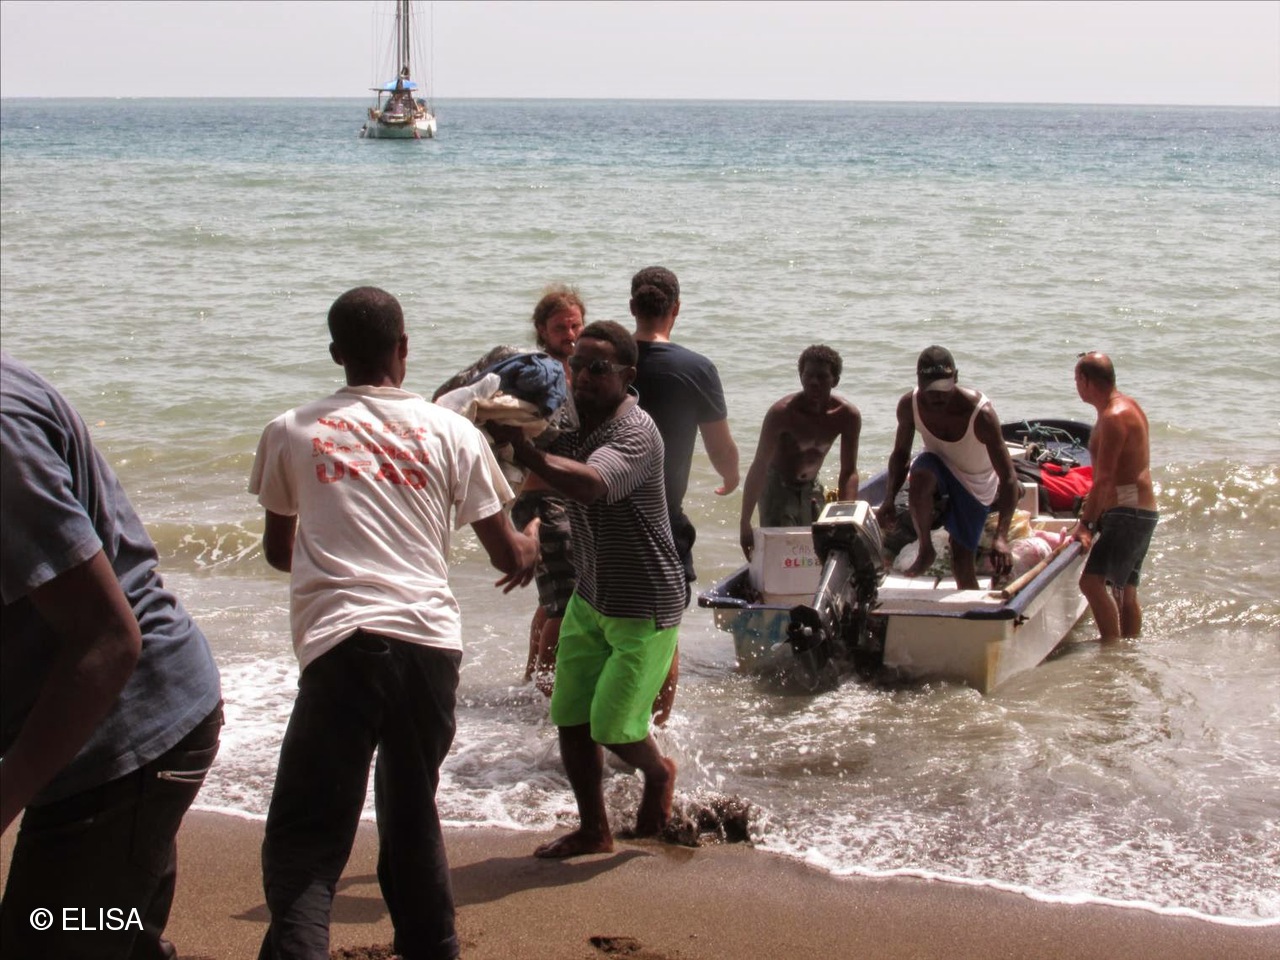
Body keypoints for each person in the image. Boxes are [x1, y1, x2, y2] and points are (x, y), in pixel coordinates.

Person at [249, 287, 539, 960]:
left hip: (343, 644)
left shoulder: (292, 429)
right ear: (404, 348)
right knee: (411, 819)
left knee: (307, 839)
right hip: (428, 646)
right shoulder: (454, 432)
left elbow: (278, 551)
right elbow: (506, 553)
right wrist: (531, 543)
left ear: (336, 354)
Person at [0, 352, 223, 959]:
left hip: (128, 737)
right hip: (82, 729)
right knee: (108, 932)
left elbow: (109, 639)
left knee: (47, 936)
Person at [492, 321, 685, 860]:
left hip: (644, 602)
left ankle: (659, 772)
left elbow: (591, 484)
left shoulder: (635, 432)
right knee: (571, 715)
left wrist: (526, 453)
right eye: (576, 365)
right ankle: (594, 829)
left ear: (628, 375)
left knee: (615, 729)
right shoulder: (571, 420)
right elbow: (531, 471)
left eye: (598, 368)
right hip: (591, 593)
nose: (582, 377)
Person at [630, 266, 739, 722]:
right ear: (676, 308)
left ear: (632, 307)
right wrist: (731, 476)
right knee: (662, 632)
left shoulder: (606, 360)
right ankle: (656, 730)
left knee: (604, 622)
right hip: (661, 519)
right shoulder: (696, 368)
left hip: (599, 509)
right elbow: (719, 446)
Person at [875, 345, 1020, 591]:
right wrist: (888, 498)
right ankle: (925, 549)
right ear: (919, 382)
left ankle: (971, 606)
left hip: (975, 485)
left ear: (956, 378)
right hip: (938, 469)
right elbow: (900, 455)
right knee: (920, 474)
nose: (937, 397)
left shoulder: (981, 415)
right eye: (931, 390)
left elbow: (1008, 478)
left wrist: (1001, 537)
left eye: (944, 389)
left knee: (961, 562)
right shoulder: (909, 405)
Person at [510, 286, 585, 692]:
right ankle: (547, 691)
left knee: (552, 595)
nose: (570, 334)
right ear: (542, 330)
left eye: (575, 326)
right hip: (540, 499)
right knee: (566, 599)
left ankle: (531, 680)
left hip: (559, 497)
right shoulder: (538, 377)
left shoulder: (575, 374)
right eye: (560, 328)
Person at [739, 344, 861, 559]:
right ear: (800, 377)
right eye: (808, 375)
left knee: (817, 551)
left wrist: (845, 516)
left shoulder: (846, 416)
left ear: (835, 380)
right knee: (780, 554)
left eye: (822, 376)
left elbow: (849, 471)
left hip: (811, 486)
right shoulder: (782, 414)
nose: (814, 382)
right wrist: (745, 522)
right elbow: (760, 466)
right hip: (777, 487)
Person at [1071, 352, 1158, 640]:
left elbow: (1105, 479)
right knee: (1124, 590)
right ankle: (1128, 651)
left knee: (1091, 583)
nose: (1076, 386)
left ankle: (1110, 649)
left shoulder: (1113, 416)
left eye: (1076, 379)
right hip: (1138, 511)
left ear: (1086, 380)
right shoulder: (1127, 406)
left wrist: (1086, 524)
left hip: (1128, 512)